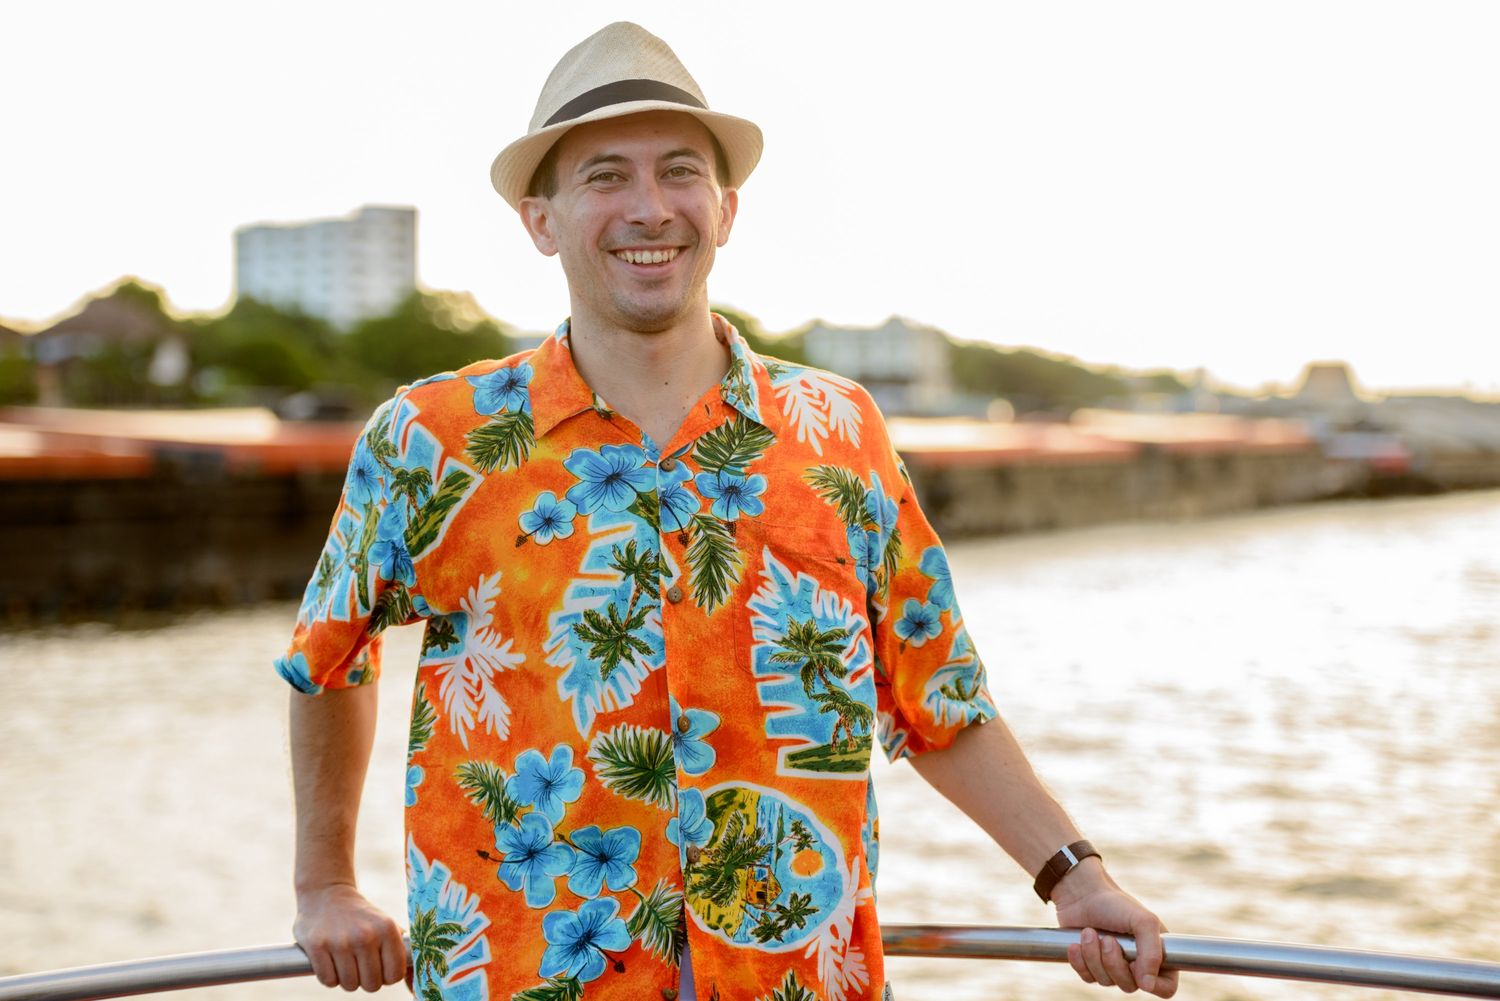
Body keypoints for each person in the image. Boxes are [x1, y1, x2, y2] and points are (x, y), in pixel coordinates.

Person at [276, 21, 1179, 1001]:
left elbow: (937, 700)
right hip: (519, 976)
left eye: (679, 173)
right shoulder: (428, 435)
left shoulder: (838, 429)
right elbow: (329, 657)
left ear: (727, 207)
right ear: (542, 220)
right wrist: (326, 884)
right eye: (605, 177)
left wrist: (1074, 873)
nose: (650, 208)